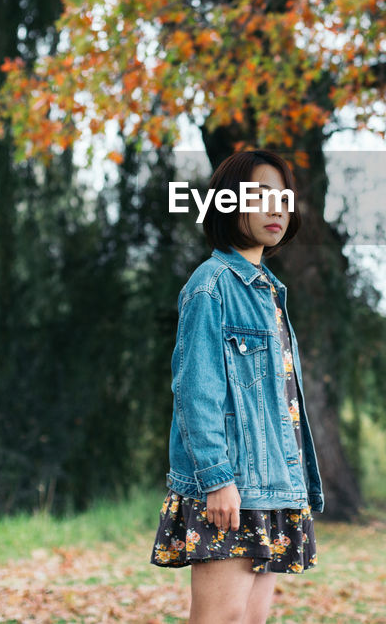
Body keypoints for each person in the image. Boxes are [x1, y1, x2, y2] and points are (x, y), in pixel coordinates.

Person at [150, 149, 325, 624]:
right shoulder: (211, 286)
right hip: (231, 486)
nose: (275, 209)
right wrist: (217, 479)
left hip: (271, 488)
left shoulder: (268, 290)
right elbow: (194, 392)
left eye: (282, 198)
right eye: (260, 195)